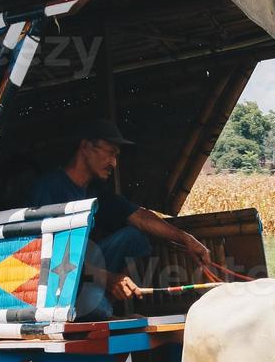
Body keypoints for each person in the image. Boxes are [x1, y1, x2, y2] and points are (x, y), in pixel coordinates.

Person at [28, 119, 210, 316]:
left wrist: (186, 239)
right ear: (86, 147)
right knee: (99, 310)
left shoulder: (97, 192)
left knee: (134, 236)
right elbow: (51, 256)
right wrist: (107, 278)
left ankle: (111, 304)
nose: (114, 163)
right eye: (110, 153)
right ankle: (104, 309)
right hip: (58, 281)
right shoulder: (48, 189)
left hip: (89, 274)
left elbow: (140, 217)